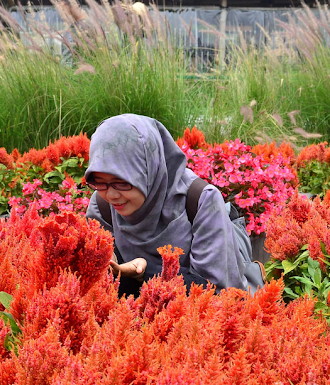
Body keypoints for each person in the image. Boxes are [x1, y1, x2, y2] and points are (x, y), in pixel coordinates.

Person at [85, 114, 249, 297]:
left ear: (148, 170)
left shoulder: (200, 201)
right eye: (99, 182)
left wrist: (144, 276)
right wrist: (109, 264)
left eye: (122, 182)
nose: (112, 195)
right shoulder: (102, 205)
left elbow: (216, 293)